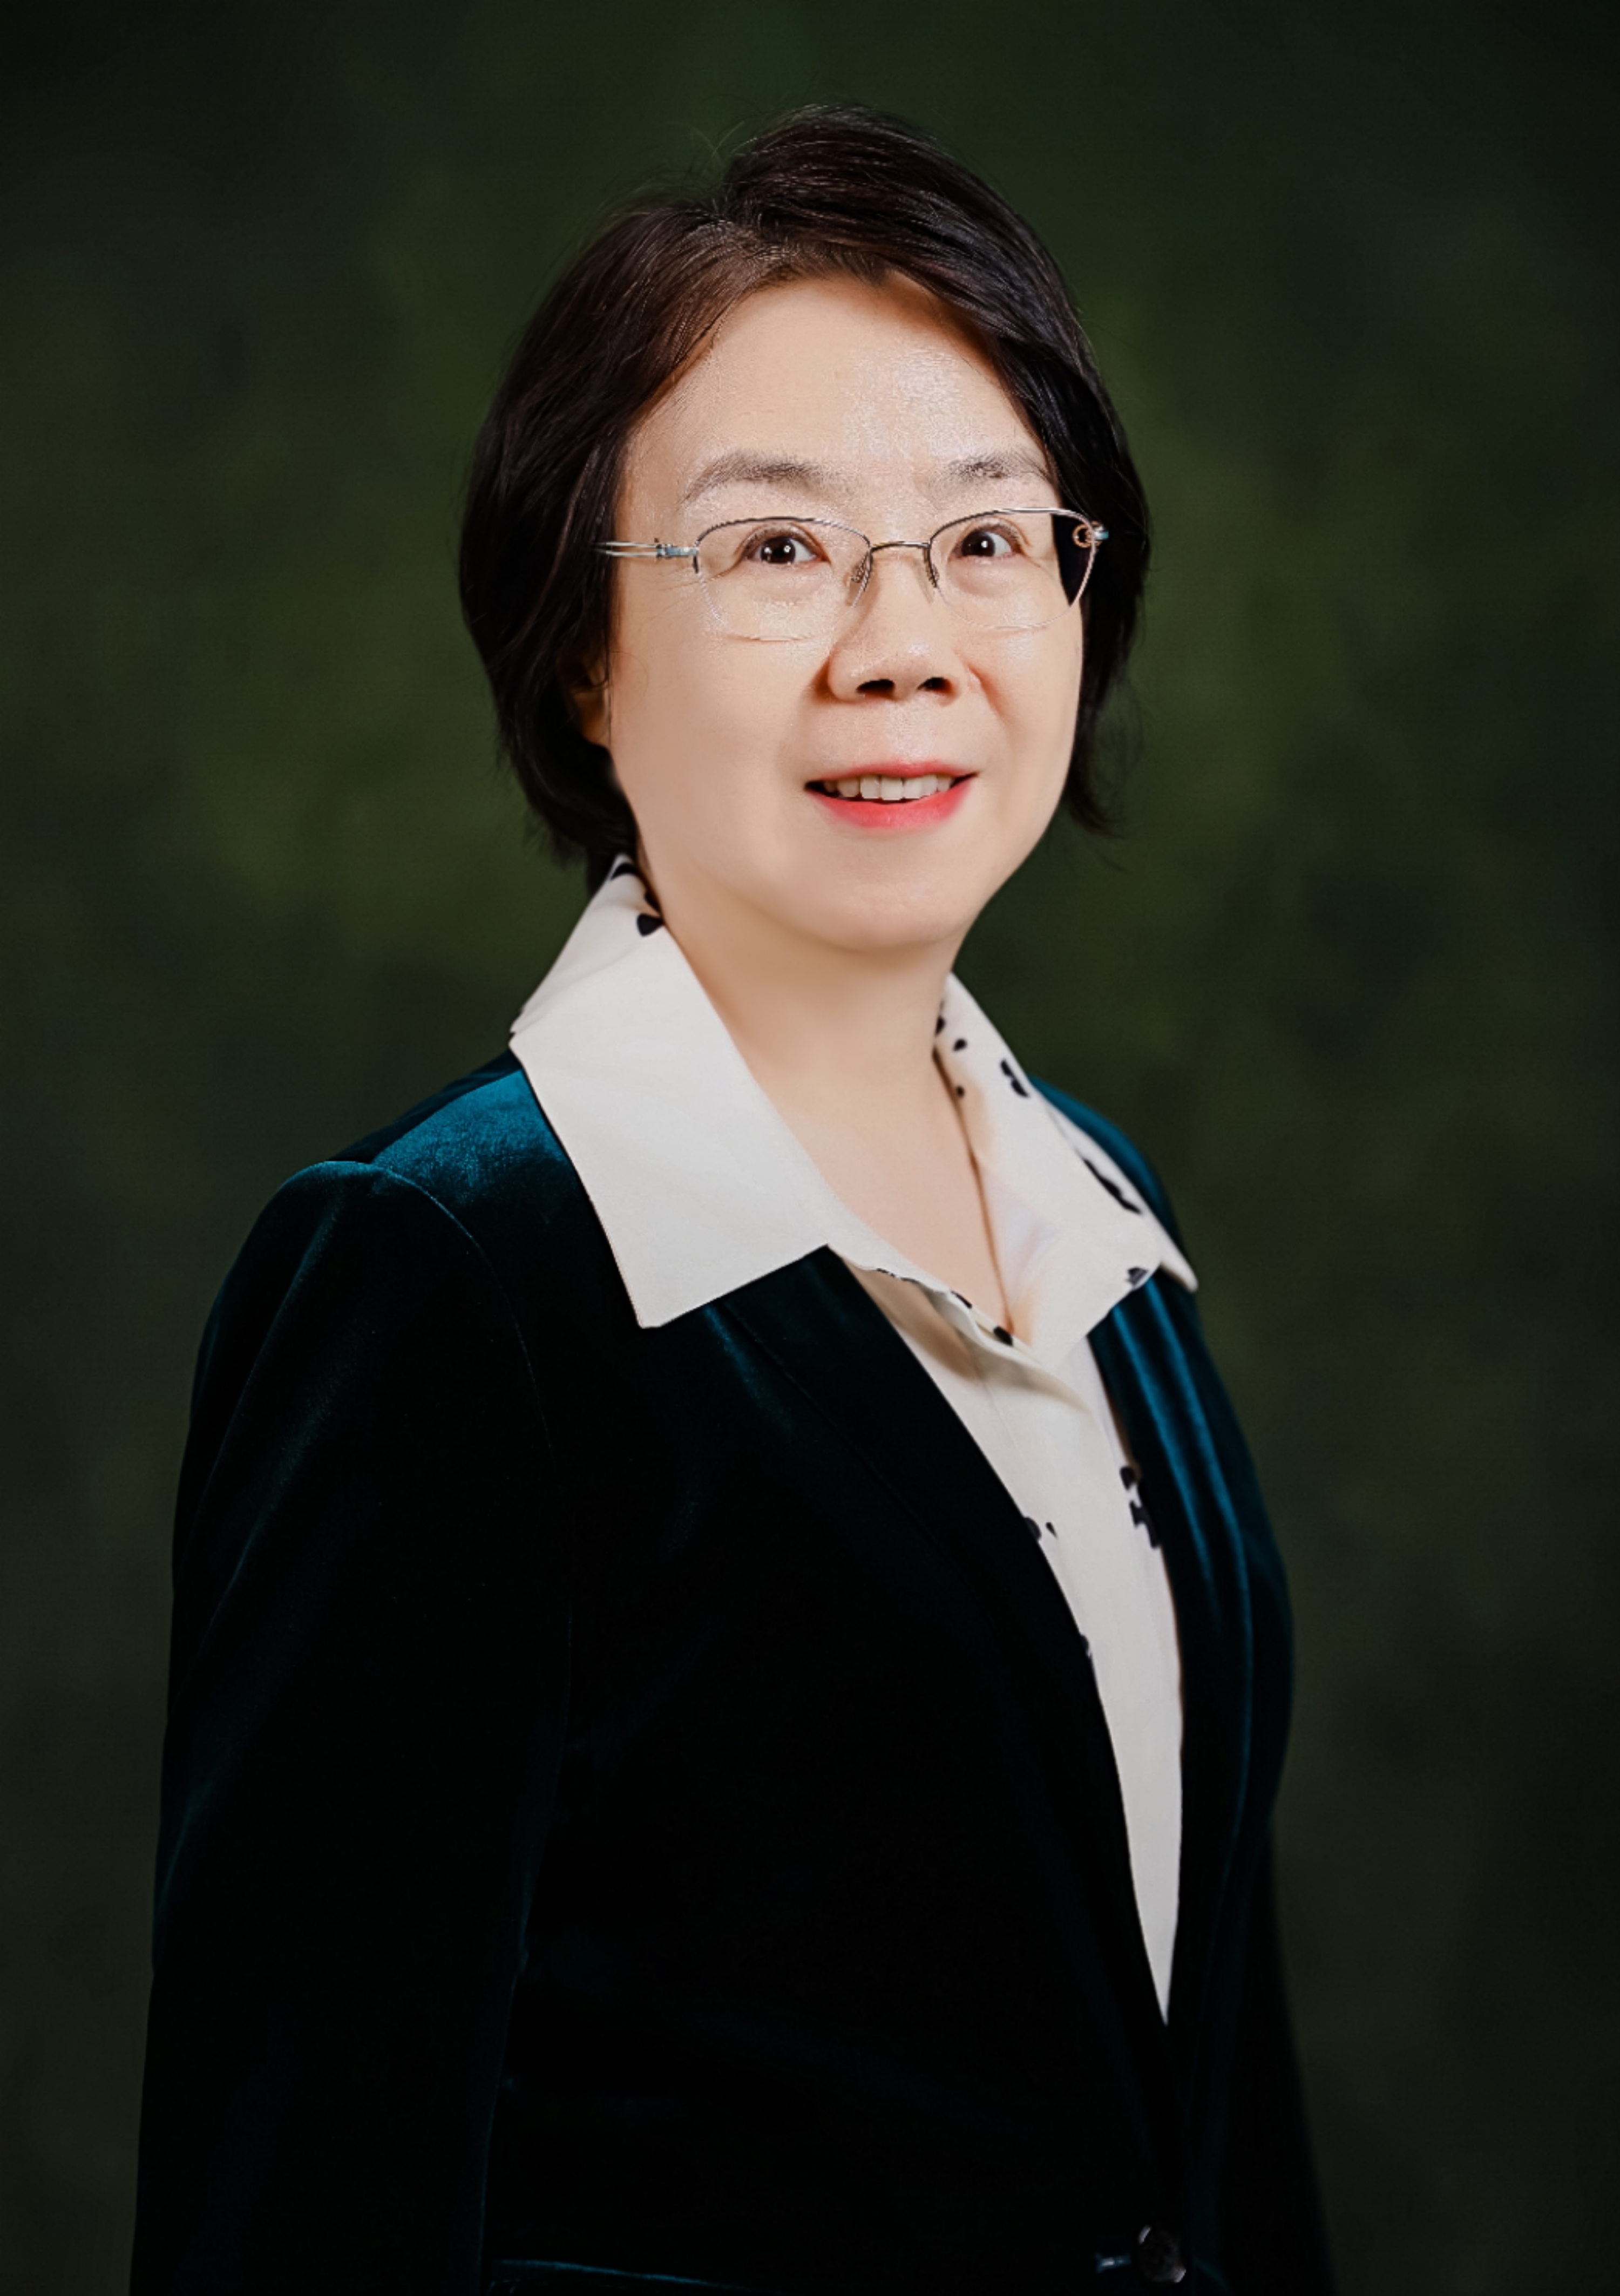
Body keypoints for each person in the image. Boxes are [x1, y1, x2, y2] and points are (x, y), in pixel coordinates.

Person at [131, 106, 1334, 2296]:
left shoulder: (1099, 1216)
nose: (904, 644)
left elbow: (1200, 2109)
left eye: (988, 538)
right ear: (582, 652)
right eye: (777, 549)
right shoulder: (446, 1275)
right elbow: (295, 2195)